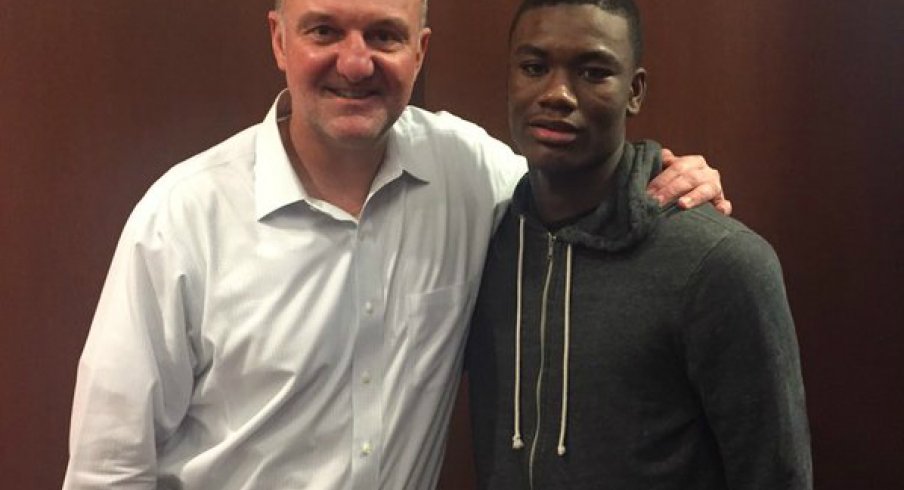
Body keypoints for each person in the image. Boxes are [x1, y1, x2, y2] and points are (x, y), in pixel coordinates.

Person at [62, 0, 729, 488]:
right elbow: (108, 467)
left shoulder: (468, 173)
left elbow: (578, 190)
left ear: (421, 51)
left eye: (384, 35)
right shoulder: (183, 217)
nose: (355, 63)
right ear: (279, 40)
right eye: (324, 30)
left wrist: (669, 177)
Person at [466, 0, 812, 488]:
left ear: (635, 90)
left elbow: (775, 475)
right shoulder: (482, 239)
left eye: (593, 71)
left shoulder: (719, 263)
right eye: (534, 67)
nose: (557, 94)